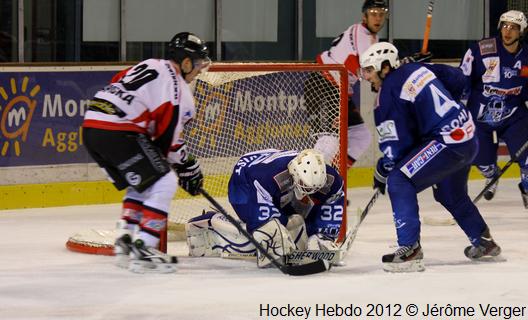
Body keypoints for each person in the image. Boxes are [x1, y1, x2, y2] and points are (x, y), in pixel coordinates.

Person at [359, 42, 502, 272]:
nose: (365, 77)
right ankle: (483, 241)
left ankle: (410, 249)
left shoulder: (387, 95)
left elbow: (397, 149)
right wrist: (428, 66)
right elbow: (458, 80)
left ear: (385, 67)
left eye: (368, 70)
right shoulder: (419, 69)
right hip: (467, 136)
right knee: (449, 193)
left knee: (399, 180)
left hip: (447, 142)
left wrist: (383, 169)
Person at [82, 32, 211, 273]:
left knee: (145, 182)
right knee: (165, 182)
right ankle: (145, 249)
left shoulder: (149, 64)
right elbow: (167, 142)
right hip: (119, 131)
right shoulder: (180, 91)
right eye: (197, 63)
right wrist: (187, 167)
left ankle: (126, 240)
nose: (200, 70)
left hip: (92, 124)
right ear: (185, 62)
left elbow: (117, 83)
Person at [185, 149, 345, 268]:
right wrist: (274, 232)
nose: (310, 193)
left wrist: (322, 236)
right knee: (273, 239)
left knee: (297, 232)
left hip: (276, 184)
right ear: (294, 174)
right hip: (244, 183)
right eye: (304, 186)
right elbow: (261, 219)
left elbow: (332, 202)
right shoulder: (267, 177)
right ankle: (212, 223)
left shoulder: (330, 179)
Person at [307, 0, 389, 167]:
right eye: (373, 13)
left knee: (361, 136)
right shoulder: (361, 33)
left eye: (381, 14)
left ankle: (335, 179)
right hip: (322, 84)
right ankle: (308, 186)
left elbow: (372, 71)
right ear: (364, 16)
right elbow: (370, 69)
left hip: (340, 90)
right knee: (328, 142)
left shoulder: (372, 38)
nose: (378, 18)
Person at [459, 10, 528, 207]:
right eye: (505, 26)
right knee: (482, 161)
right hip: (480, 117)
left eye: (514, 28)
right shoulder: (481, 50)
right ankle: (491, 174)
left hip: (514, 115)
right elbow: (462, 78)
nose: (508, 31)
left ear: (521, 32)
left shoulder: (527, 57)